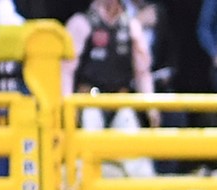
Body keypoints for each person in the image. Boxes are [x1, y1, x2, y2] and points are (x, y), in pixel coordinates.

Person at [67, 0, 160, 175]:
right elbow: (66, 70)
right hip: (90, 102)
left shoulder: (131, 25)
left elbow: (142, 71)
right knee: (86, 157)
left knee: (137, 160)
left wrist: (151, 106)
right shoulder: (82, 23)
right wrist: (65, 105)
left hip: (120, 101)